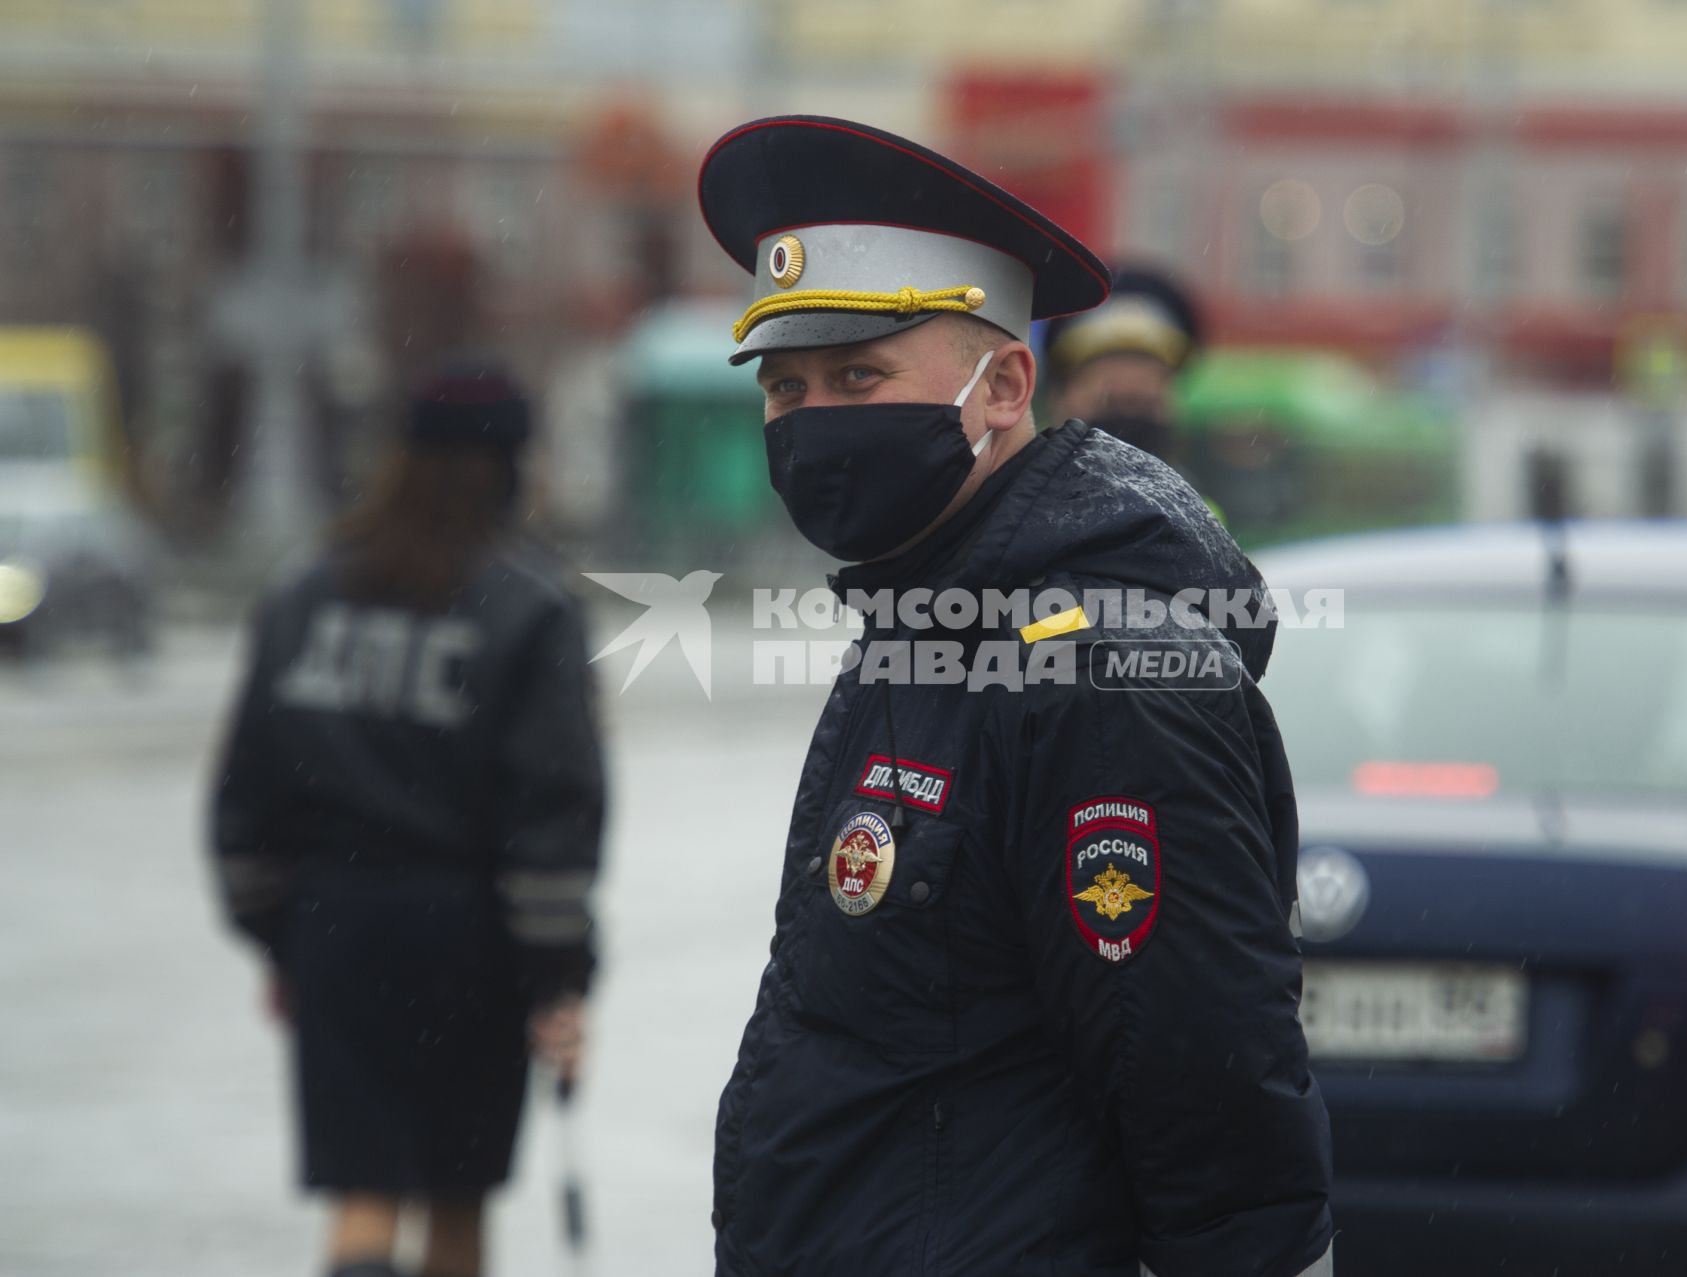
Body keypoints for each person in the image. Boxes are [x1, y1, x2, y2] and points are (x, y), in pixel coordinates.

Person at [701, 115, 1332, 1276]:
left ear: (1005, 386)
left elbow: (1200, 1072)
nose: (814, 423)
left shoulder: (1100, 669)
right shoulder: (934, 609)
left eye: (860, 375)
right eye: (786, 387)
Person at [209, 359, 606, 1277]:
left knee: (362, 1190)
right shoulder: (530, 604)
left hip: (337, 928)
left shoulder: (308, 591)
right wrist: (559, 977)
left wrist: (282, 939)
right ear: (508, 463)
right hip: (474, 944)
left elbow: (248, 795)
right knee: (458, 1198)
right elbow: (551, 817)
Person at [1042, 263, 1204, 468]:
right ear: (1058, 397)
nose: (1128, 422)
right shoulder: (1010, 497)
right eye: (1111, 402)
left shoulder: (1198, 500)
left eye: (1143, 403)